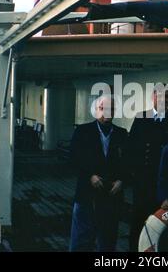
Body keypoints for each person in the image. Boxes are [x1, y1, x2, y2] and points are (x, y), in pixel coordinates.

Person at [69, 95, 128, 252]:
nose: (107, 112)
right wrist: (90, 176)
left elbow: (129, 163)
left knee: (108, 241)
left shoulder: (122, 134)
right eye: (103, 108)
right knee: (81, 239)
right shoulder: (82, 131)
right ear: (96, 110)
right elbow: (73, 159)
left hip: (111, 196)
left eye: (111, 109)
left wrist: (122, 180)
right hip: (86, 195)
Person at [127, 84, 168, 251]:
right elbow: (131, 148)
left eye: (167, 96)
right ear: (153, 97)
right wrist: (133, 174)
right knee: (139, 220)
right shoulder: (141, 118)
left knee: (164, 221)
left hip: (165, 182)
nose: (163, 99)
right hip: (143, 181)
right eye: (160, 96)